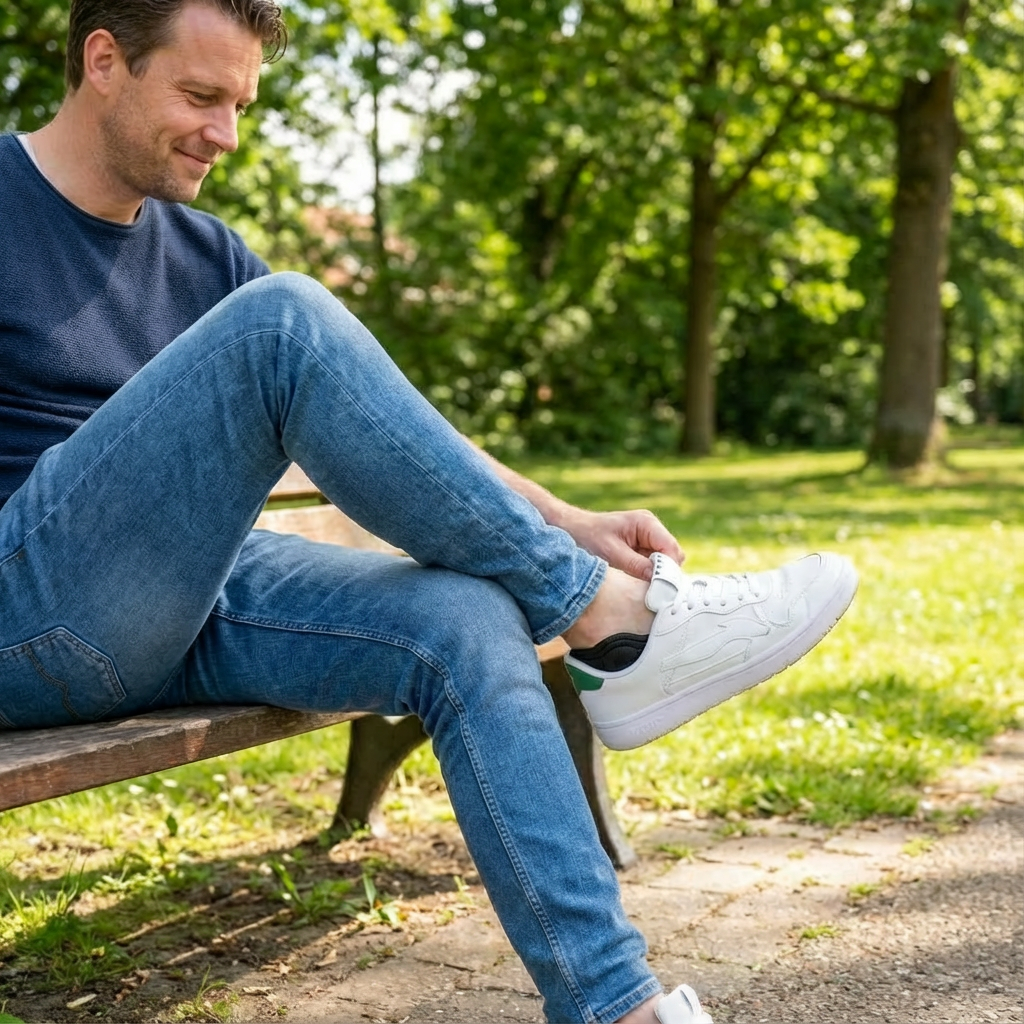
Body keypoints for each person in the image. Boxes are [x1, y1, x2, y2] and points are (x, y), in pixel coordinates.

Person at [0, 2, 857, 1021]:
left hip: (188, 593)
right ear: (104, 61)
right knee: (287, 321)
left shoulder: (202, 253)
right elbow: (292, 346)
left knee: (465, 618)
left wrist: (564, 520)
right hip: (28, 607)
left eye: (240, 103)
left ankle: (613, 1004)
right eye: (200, 96)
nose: (226, 133)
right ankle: (617, 629)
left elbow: (390, 423)